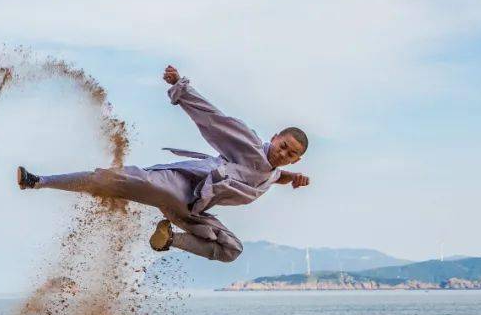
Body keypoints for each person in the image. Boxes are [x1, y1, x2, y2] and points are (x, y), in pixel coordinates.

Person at [17, 66, 310, 262]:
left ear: (296, 159)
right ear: (275, 137)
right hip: (179, 184)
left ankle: (169, 239)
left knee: (231, 249)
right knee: (109, 180)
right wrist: (180, 86)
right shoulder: (250, 143)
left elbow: (273, 176)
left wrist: (291, 177)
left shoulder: (272, 174)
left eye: (291, 154)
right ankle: (38, 181)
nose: (283, 153)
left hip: (192, 210)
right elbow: (213, 118)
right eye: (283, 145)